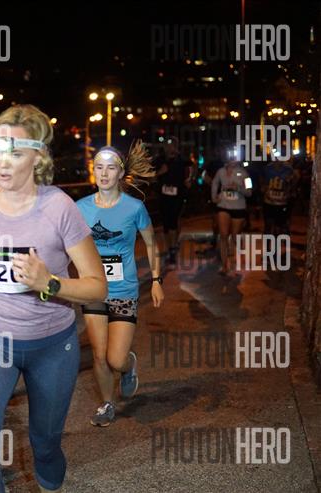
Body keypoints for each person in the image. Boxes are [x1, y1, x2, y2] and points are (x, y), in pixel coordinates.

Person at [0, 104, 107, 493]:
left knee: (45, 443)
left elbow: (97, 286)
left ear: (38, 157)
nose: (3, 162)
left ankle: (48, 462)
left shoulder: (58, 208)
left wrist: (49, 283)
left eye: (16, 153)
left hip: (52, 345)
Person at [76, 143, 165, 427]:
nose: (104, 174)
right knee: (99, 356)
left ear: (120, 173)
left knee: (115, 359)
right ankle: (106, 404)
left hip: (124, 291)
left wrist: (156, 280)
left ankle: (129, 365)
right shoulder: (80, 208)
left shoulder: (134, 207)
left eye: (110, 168)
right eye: (99, 167)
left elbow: (151, 244)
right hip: (93, 289)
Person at [211, 148, 252, 275]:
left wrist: (238, 188)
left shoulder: (244, 173)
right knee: (223, 235)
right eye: (230, 156)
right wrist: (214, 197)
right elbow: (214, 183)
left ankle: (236, 257)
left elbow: (250, 192)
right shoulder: (220, 171)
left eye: (235, 157)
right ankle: (225, 266)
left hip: (238, 208)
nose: (232, 159)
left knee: (235, 236)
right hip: (223, 206)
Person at [155, 137, 193, 265]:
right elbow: (149, 177)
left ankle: (172, 250)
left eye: (172, 145)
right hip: (163, 196)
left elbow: (192, 169)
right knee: (166, 224)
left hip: (178, 195)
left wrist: (189, 179)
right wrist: (160, 172)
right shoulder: (159, 160)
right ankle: (170, 247)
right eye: (167, 145)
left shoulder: (182, 159)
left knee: (173, 221)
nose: (169, 147)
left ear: (176, 146)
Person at [262, 158, 297, 236]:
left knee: (279, 225)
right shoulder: (267, 168)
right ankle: (268, 242)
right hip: (269, 202)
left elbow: (293, 183)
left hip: (282, 203)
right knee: (268, 224)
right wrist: (264, 189)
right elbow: (262, 181)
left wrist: (290, 192)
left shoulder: (288, 169)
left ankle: (277, 238)